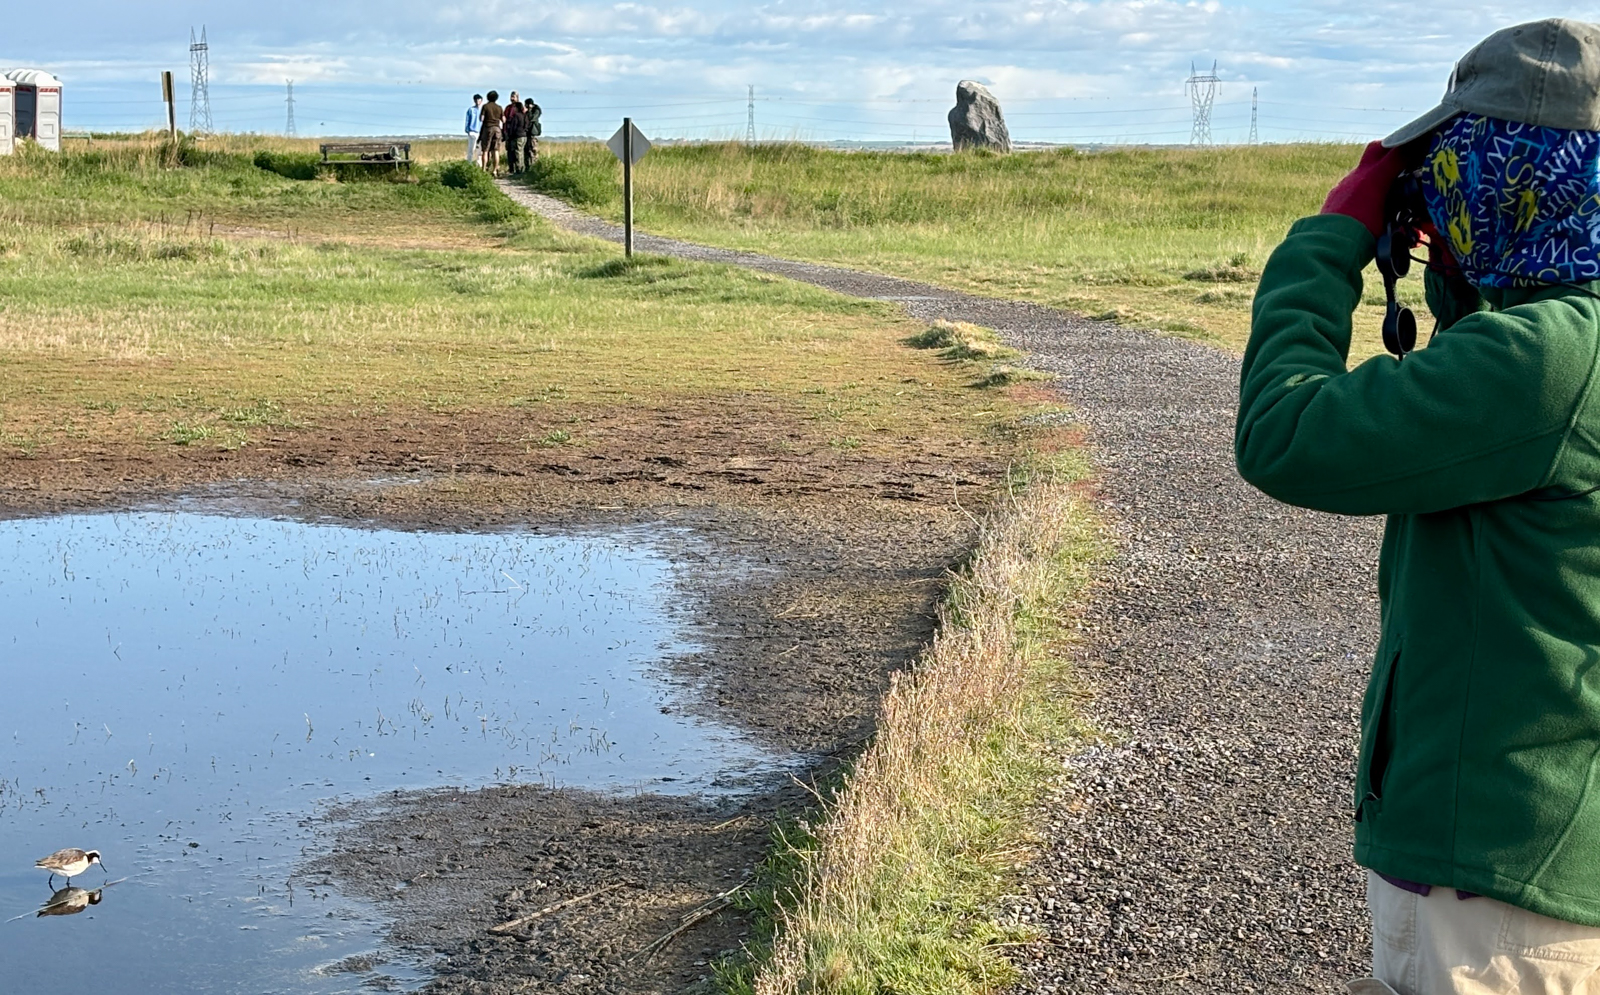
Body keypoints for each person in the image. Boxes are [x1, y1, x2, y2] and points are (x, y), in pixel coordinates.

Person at [1234, 18, 1600, 995]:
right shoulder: (1559, 342)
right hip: (1554, 858)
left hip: (1496, 900)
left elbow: (1285, 432)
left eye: (1451, 167)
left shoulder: (1548, 359)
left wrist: (1332, 236)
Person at [477, 90, 504, 175]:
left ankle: (484, 169)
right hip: (497, 129)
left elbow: (481, 118)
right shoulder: (499, 107)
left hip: (488, 128)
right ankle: (495, 170)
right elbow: (503, 120)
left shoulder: (485, 106)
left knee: (485, 150)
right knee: (496, 150)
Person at [503, 94, 525, 175]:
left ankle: (519, 170)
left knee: (518, 151)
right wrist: (504, 131)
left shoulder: (520, 108)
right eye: (511, 97)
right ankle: (511, 169)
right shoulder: (508, 108)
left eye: (514, 97)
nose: (512, 98)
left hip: (517, 133)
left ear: (517, 98)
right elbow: (504, 119)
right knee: (509, 151)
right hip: (509, 132)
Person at [463, 94, 482, 162]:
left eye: (479, 100)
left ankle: (479, 164)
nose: (477, 101)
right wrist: (468, 130)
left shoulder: (482, 110)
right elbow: (467, 120)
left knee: (479, 150)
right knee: (471, 149)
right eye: (476, 100)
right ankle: (469, 163)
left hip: (480, 132)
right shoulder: (471, 110)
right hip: (472, 131)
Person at [523, 98, 542, 167]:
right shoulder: (529, 111)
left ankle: (534, 165)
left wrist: (529, 111)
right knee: (527, 150)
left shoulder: (536, 111)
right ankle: (528, 166)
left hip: (533, 132)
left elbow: (532, 118)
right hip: (527, 133)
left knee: (533, 149)